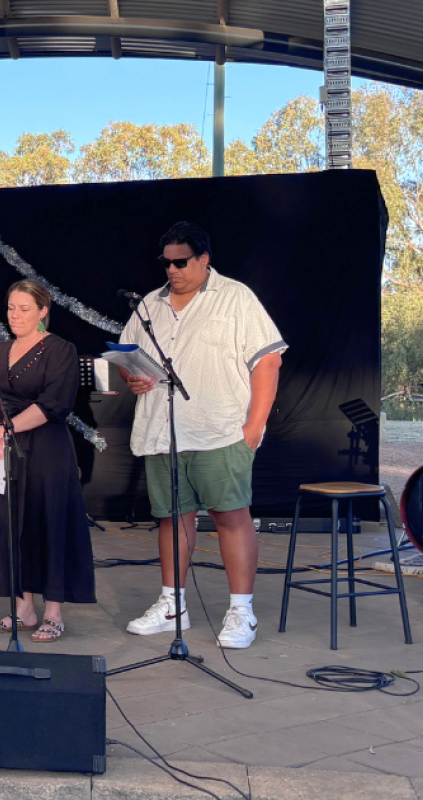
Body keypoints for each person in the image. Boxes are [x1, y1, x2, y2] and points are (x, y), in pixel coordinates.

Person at [120, 221, 286, 649]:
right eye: (167, 263)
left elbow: (267, 362)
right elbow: (126, 357)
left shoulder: (235, 297)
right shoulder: (149, 306)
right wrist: (133, 377)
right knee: (173, 518)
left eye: (182, 261)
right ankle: (172, 604)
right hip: (163, 431)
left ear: (204, 259)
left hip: (219, 429)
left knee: (231, 516)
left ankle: (241, 611)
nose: (172, 270)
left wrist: (253, 427)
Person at [0, 280, 96, 643]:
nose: (15, 315)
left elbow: (54, 403)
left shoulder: (60, 350)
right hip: (0, 450)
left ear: (43, 311)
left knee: (47, 525)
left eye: (24, 308)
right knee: (10, 526)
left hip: (43, 451)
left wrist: (5, 430)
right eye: (11, 308)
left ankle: (53, 612)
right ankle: (23, 608)